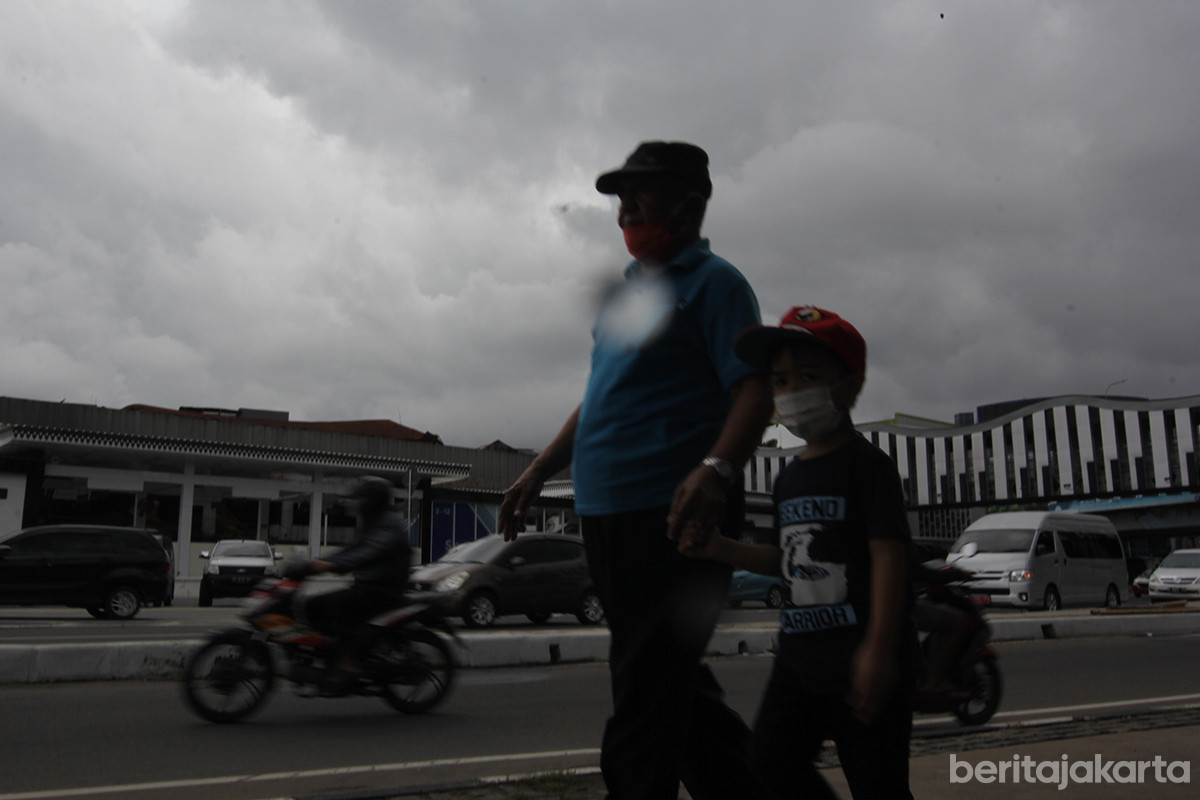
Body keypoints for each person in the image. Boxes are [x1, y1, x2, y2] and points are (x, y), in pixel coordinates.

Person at [498, 141, 775, 800]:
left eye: (639, 197)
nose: (624, 211)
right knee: (670, 683)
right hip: (606, 512)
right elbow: (601, 396)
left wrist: (715, 471)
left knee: (645, 692)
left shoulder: (716, 284)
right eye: (620, 199)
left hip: (673, 515)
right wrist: (539, 470)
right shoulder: (628, 293)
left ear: (688, 206)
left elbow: (755, 391)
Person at [682, 305, 916, 800]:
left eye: (808, 376)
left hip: (862, 661)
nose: (790, 392)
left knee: (879, 786)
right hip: (799, 663)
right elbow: (783, 562)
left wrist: (878, 650)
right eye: (780, 380)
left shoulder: (867, 467)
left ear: (850, 386)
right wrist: (720, 548)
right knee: (769, 761)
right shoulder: (789, 477)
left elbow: (889, 557)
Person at [302, 475, 412, 696]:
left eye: (360, 499)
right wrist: (316, 563)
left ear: (372, 501)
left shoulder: (388, 524)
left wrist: (332, 565)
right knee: (314, 605)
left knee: (336, 606)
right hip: (367, 586)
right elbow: (351, 549)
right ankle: (332, 656)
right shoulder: (371, 523)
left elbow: (367, 553)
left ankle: (348, 663)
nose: (355, 504)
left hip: (384, 589)